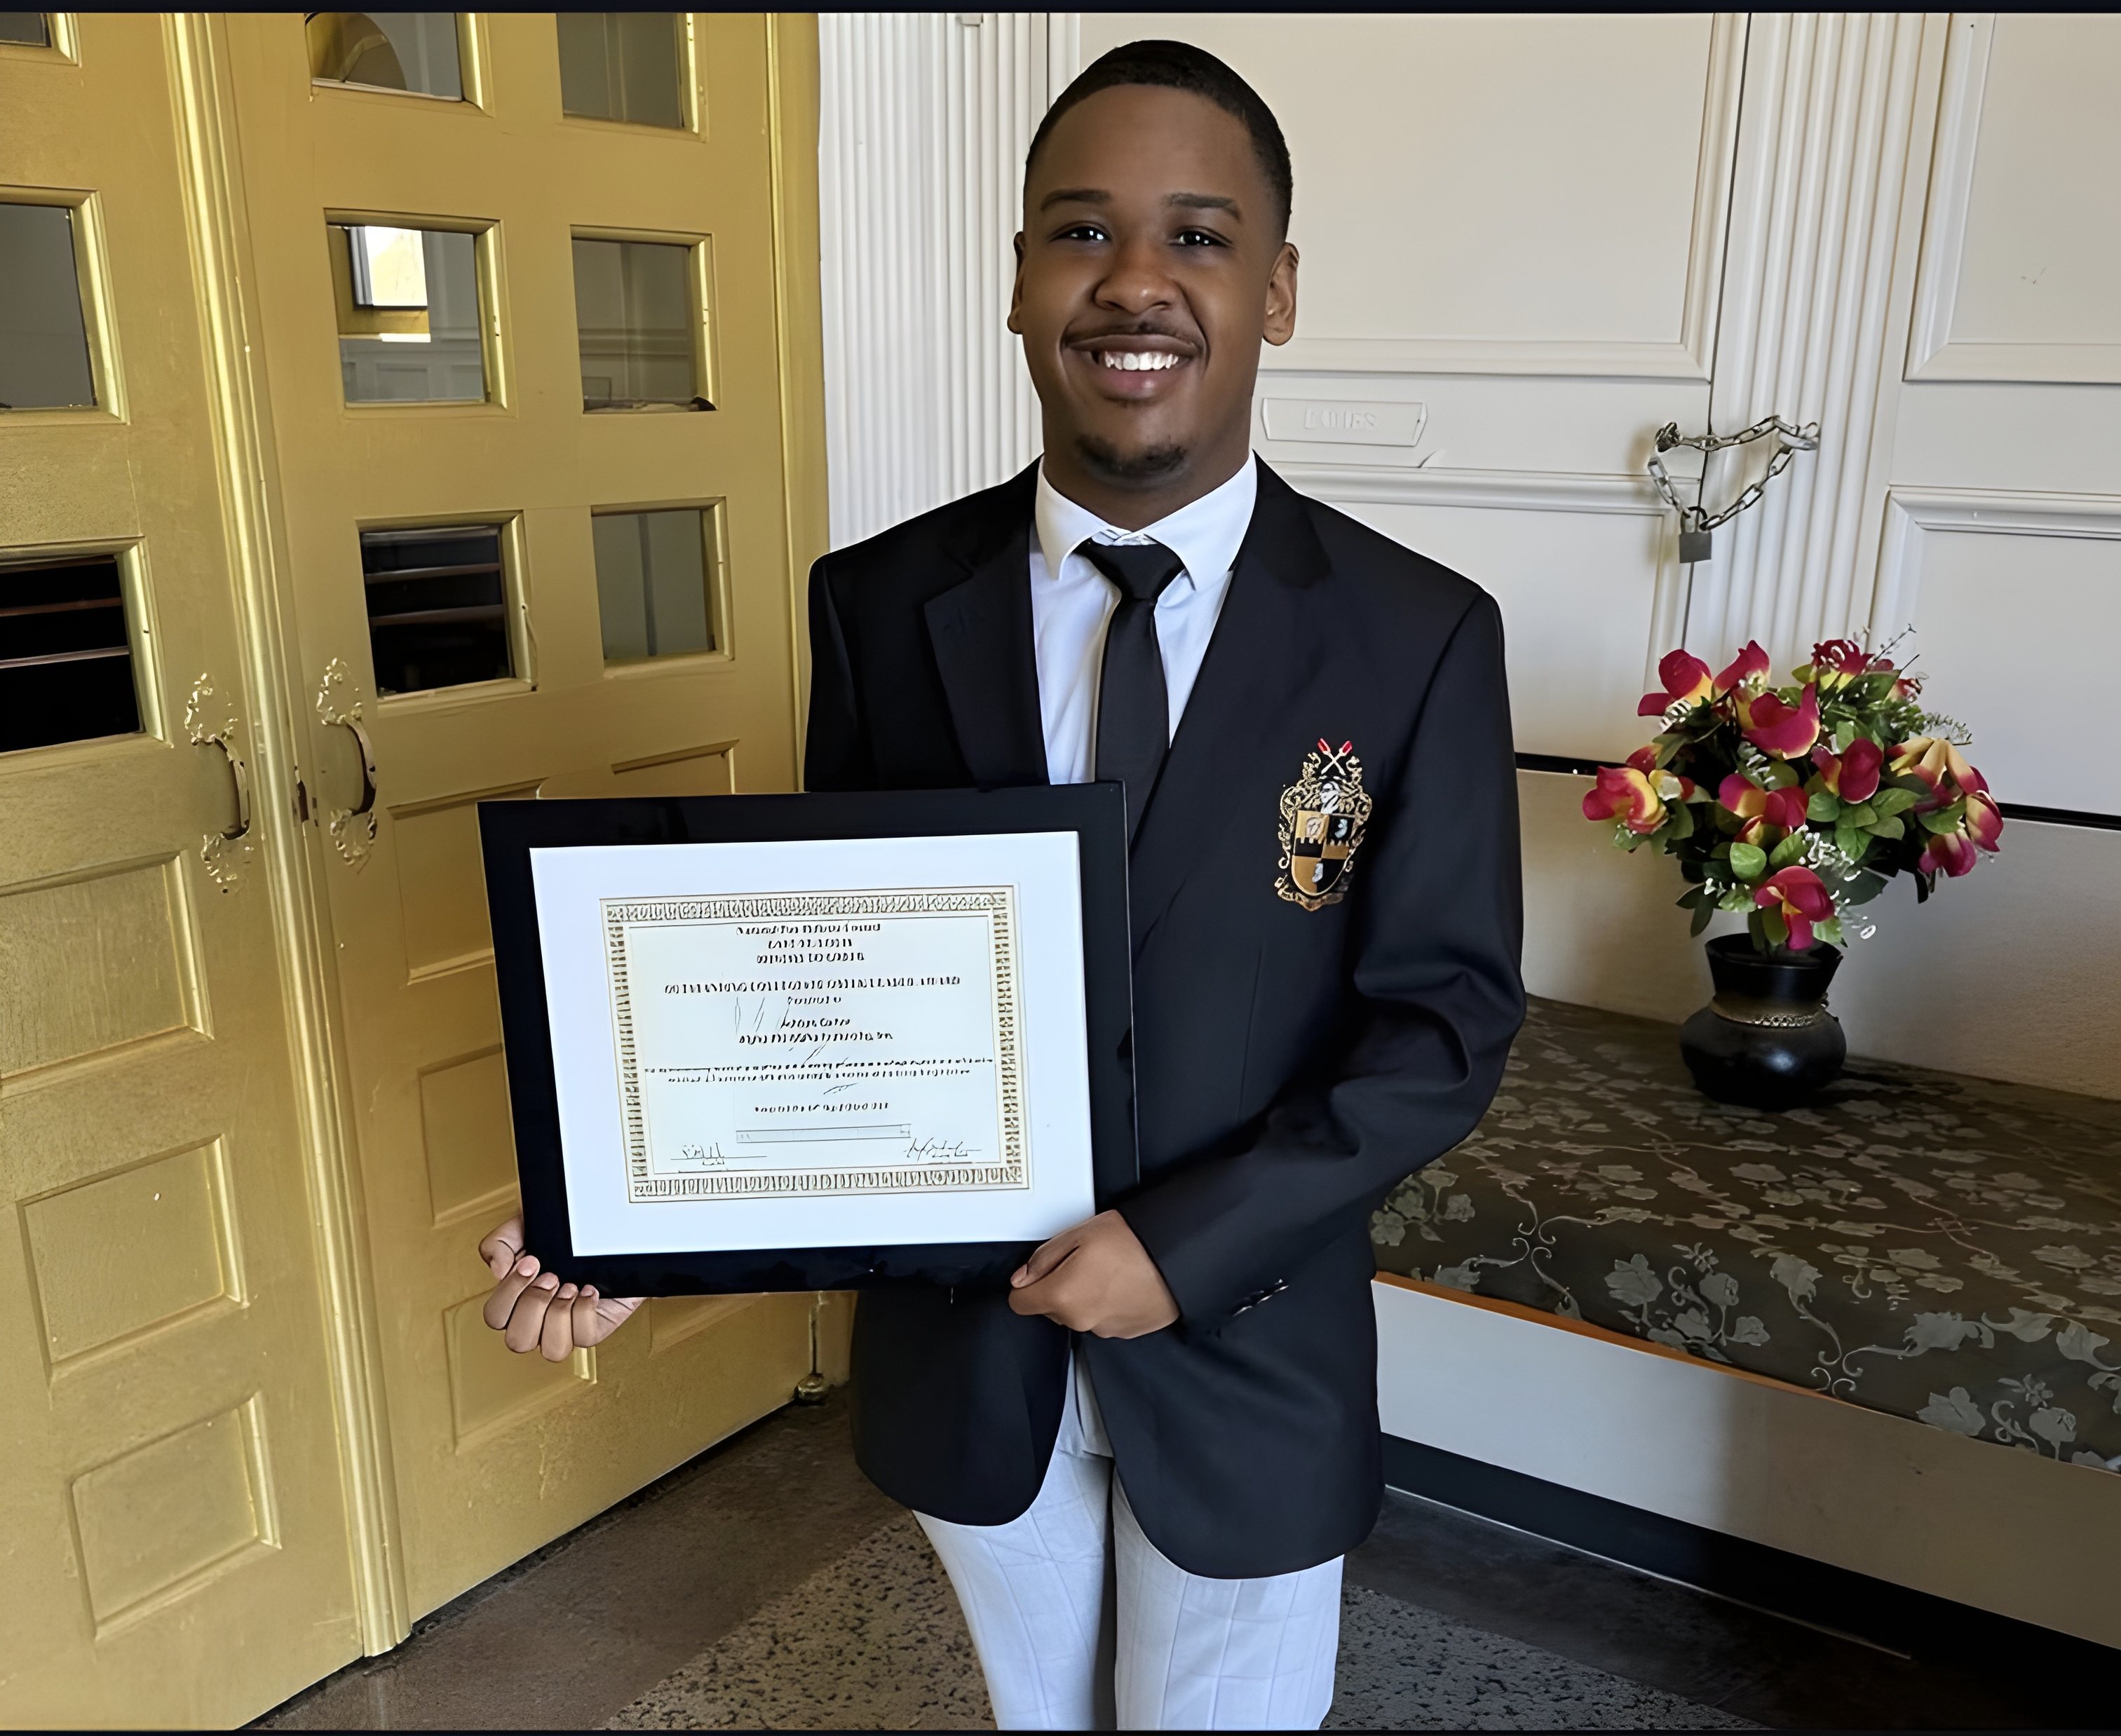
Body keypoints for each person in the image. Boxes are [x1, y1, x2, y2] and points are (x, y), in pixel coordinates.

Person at [480, 39, 1524, 1730]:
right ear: (1021, 281)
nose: (1135, 283)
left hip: (1249, 1345)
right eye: (1078, 231)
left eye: (1198, 236)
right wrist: (636, 1220)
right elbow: (809, 981)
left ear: (1276, 289)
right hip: (975, 1357)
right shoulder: (880, 604)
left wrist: (1176, 1248)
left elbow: (1442, 1028)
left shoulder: (1413, 634)